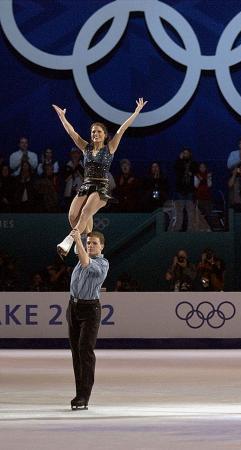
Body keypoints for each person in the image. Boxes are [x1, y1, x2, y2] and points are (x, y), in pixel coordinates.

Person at [53, 98, 147, 256]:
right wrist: (62, 117)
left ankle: (69, 239)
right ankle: (83, 239)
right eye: (93, 132)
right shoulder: (85, 147)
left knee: (85, 212)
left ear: (105, 135)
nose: (95, 134)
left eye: (99, 132)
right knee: (72, 215)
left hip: (101, 188)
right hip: (86, 185)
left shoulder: (110, 148)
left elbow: (122, 129)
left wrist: (136, 112)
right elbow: (71, 132)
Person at [66, 230, 109, 410]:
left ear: (102, 247)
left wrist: (78, 239)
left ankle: (85, 396)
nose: (90, 245)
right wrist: (80, 230)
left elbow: (85, 262)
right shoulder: (83, 254)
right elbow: (82, 229)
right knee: (76, 352)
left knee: (85, 350)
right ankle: (79, 393)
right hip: (73, 307)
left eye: (94, 243)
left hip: (90, 310)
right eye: (89, 243)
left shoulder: (102, 264)